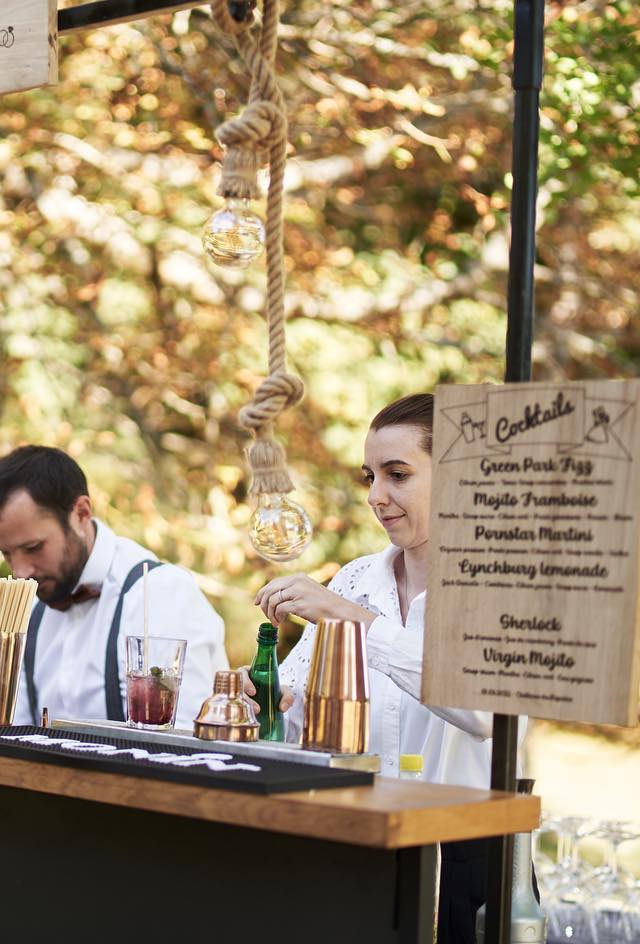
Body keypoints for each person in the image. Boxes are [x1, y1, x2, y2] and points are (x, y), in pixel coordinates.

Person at [246, 393, 522, 944]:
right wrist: (267, 701)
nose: (376, 496)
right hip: (359, 841)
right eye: (370, 476)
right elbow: (301, 711)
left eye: (398, 475)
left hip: (466, 859)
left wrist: (355, 622)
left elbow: (485, 710)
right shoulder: (355, 578)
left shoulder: (500, 582)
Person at [0, 446, 229, 728]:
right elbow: (11, 735)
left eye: (33, 547)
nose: (20, 573)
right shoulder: (30, 606)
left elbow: (182, 741)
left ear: (81, 513)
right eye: (5, 553)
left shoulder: (158, 593)